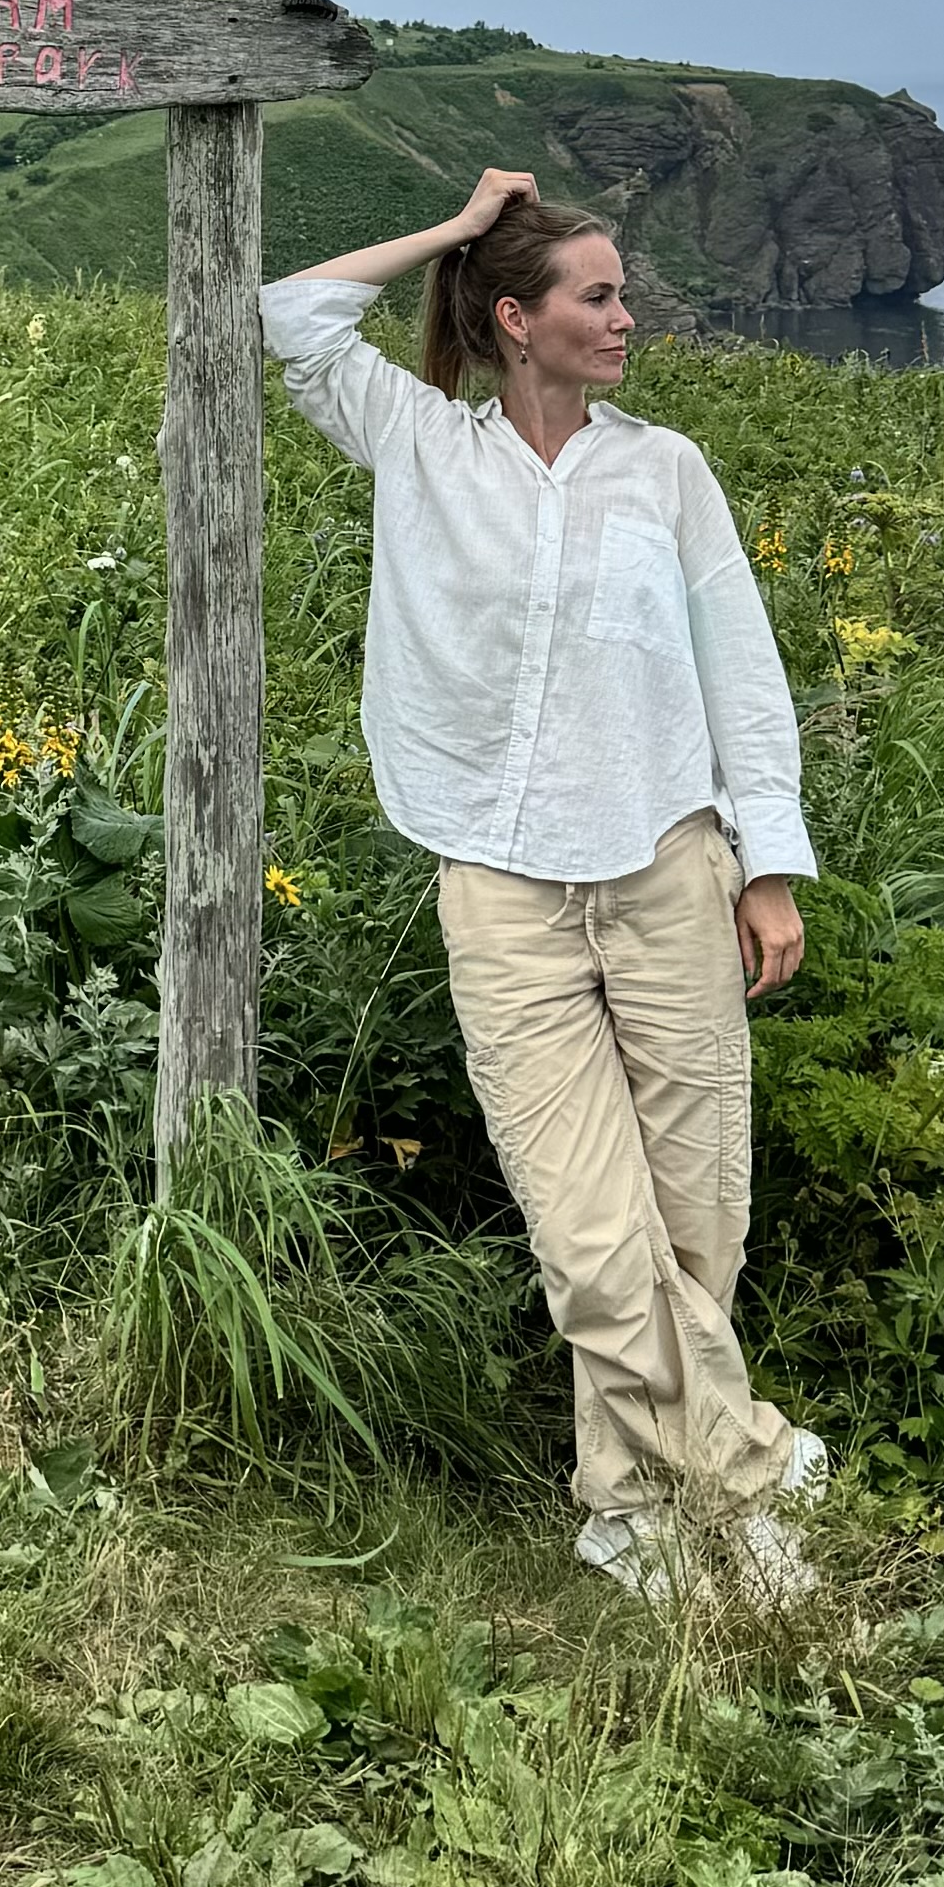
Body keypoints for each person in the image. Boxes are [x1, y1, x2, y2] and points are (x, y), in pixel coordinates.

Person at [260, 167, 826, 1603]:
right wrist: (453, 232)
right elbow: (296, 314)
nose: (626, 317)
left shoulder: (666, 470)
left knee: (696, 1216)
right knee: (586, 1233)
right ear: (515, 320)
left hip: (665, 866)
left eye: (620, 293)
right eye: (596, 295)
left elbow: (738, 674)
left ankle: (632, 1509)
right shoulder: (419, 444)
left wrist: (768, 864)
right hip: (502, 886)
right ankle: (742, 1478)